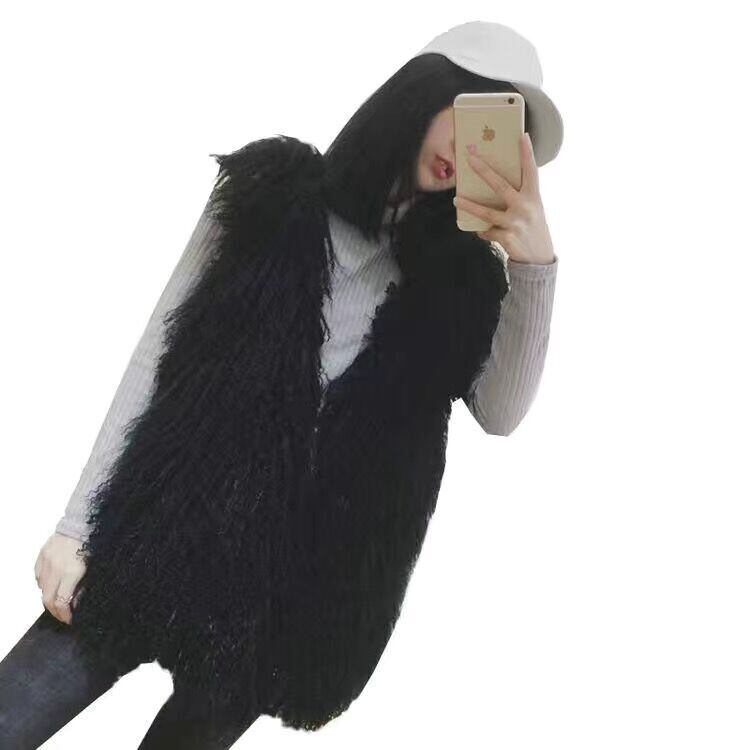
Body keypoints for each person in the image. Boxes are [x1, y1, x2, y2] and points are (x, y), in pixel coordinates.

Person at [0, 21, 563, 747]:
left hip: (279, 605)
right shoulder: (271, 195)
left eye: (501, 138)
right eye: (474, 114)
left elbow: (502, 412)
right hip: (155, 531)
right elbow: (155, 352)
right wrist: (77, 527)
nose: (471, 150)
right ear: (423, 95)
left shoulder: (460, 287)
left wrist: (534, 267)